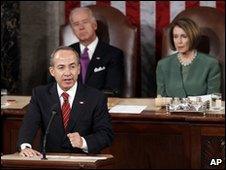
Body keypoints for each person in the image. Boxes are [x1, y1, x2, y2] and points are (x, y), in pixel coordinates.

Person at [17, 46, 114, 157]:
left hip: (82, 161)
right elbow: (29, 124)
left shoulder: (96, 97)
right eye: (61, 67)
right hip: (50, 160)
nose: (67, 73)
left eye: (72, 67)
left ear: (78, 69)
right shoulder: (40, 94)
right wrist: (25, 147)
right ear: (52, 71)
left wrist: (83, 142)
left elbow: (106, 135)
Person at [156, 17, 221, 98]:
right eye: (175, 37)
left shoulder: (211, 64)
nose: (179, 41)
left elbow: (213, 98)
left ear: (192, 37)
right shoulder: (163, 65)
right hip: (170, 111)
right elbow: (161, 99)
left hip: (201, 110)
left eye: (184, 36)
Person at [68, 7, 124, 97]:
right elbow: (53, 87)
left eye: (85, 22)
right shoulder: (65, 54)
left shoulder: (113, 54)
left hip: (99, 106)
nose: (81, 27)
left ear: (94, 25)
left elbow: (112, 90)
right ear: (73, 30)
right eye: (76, 24)